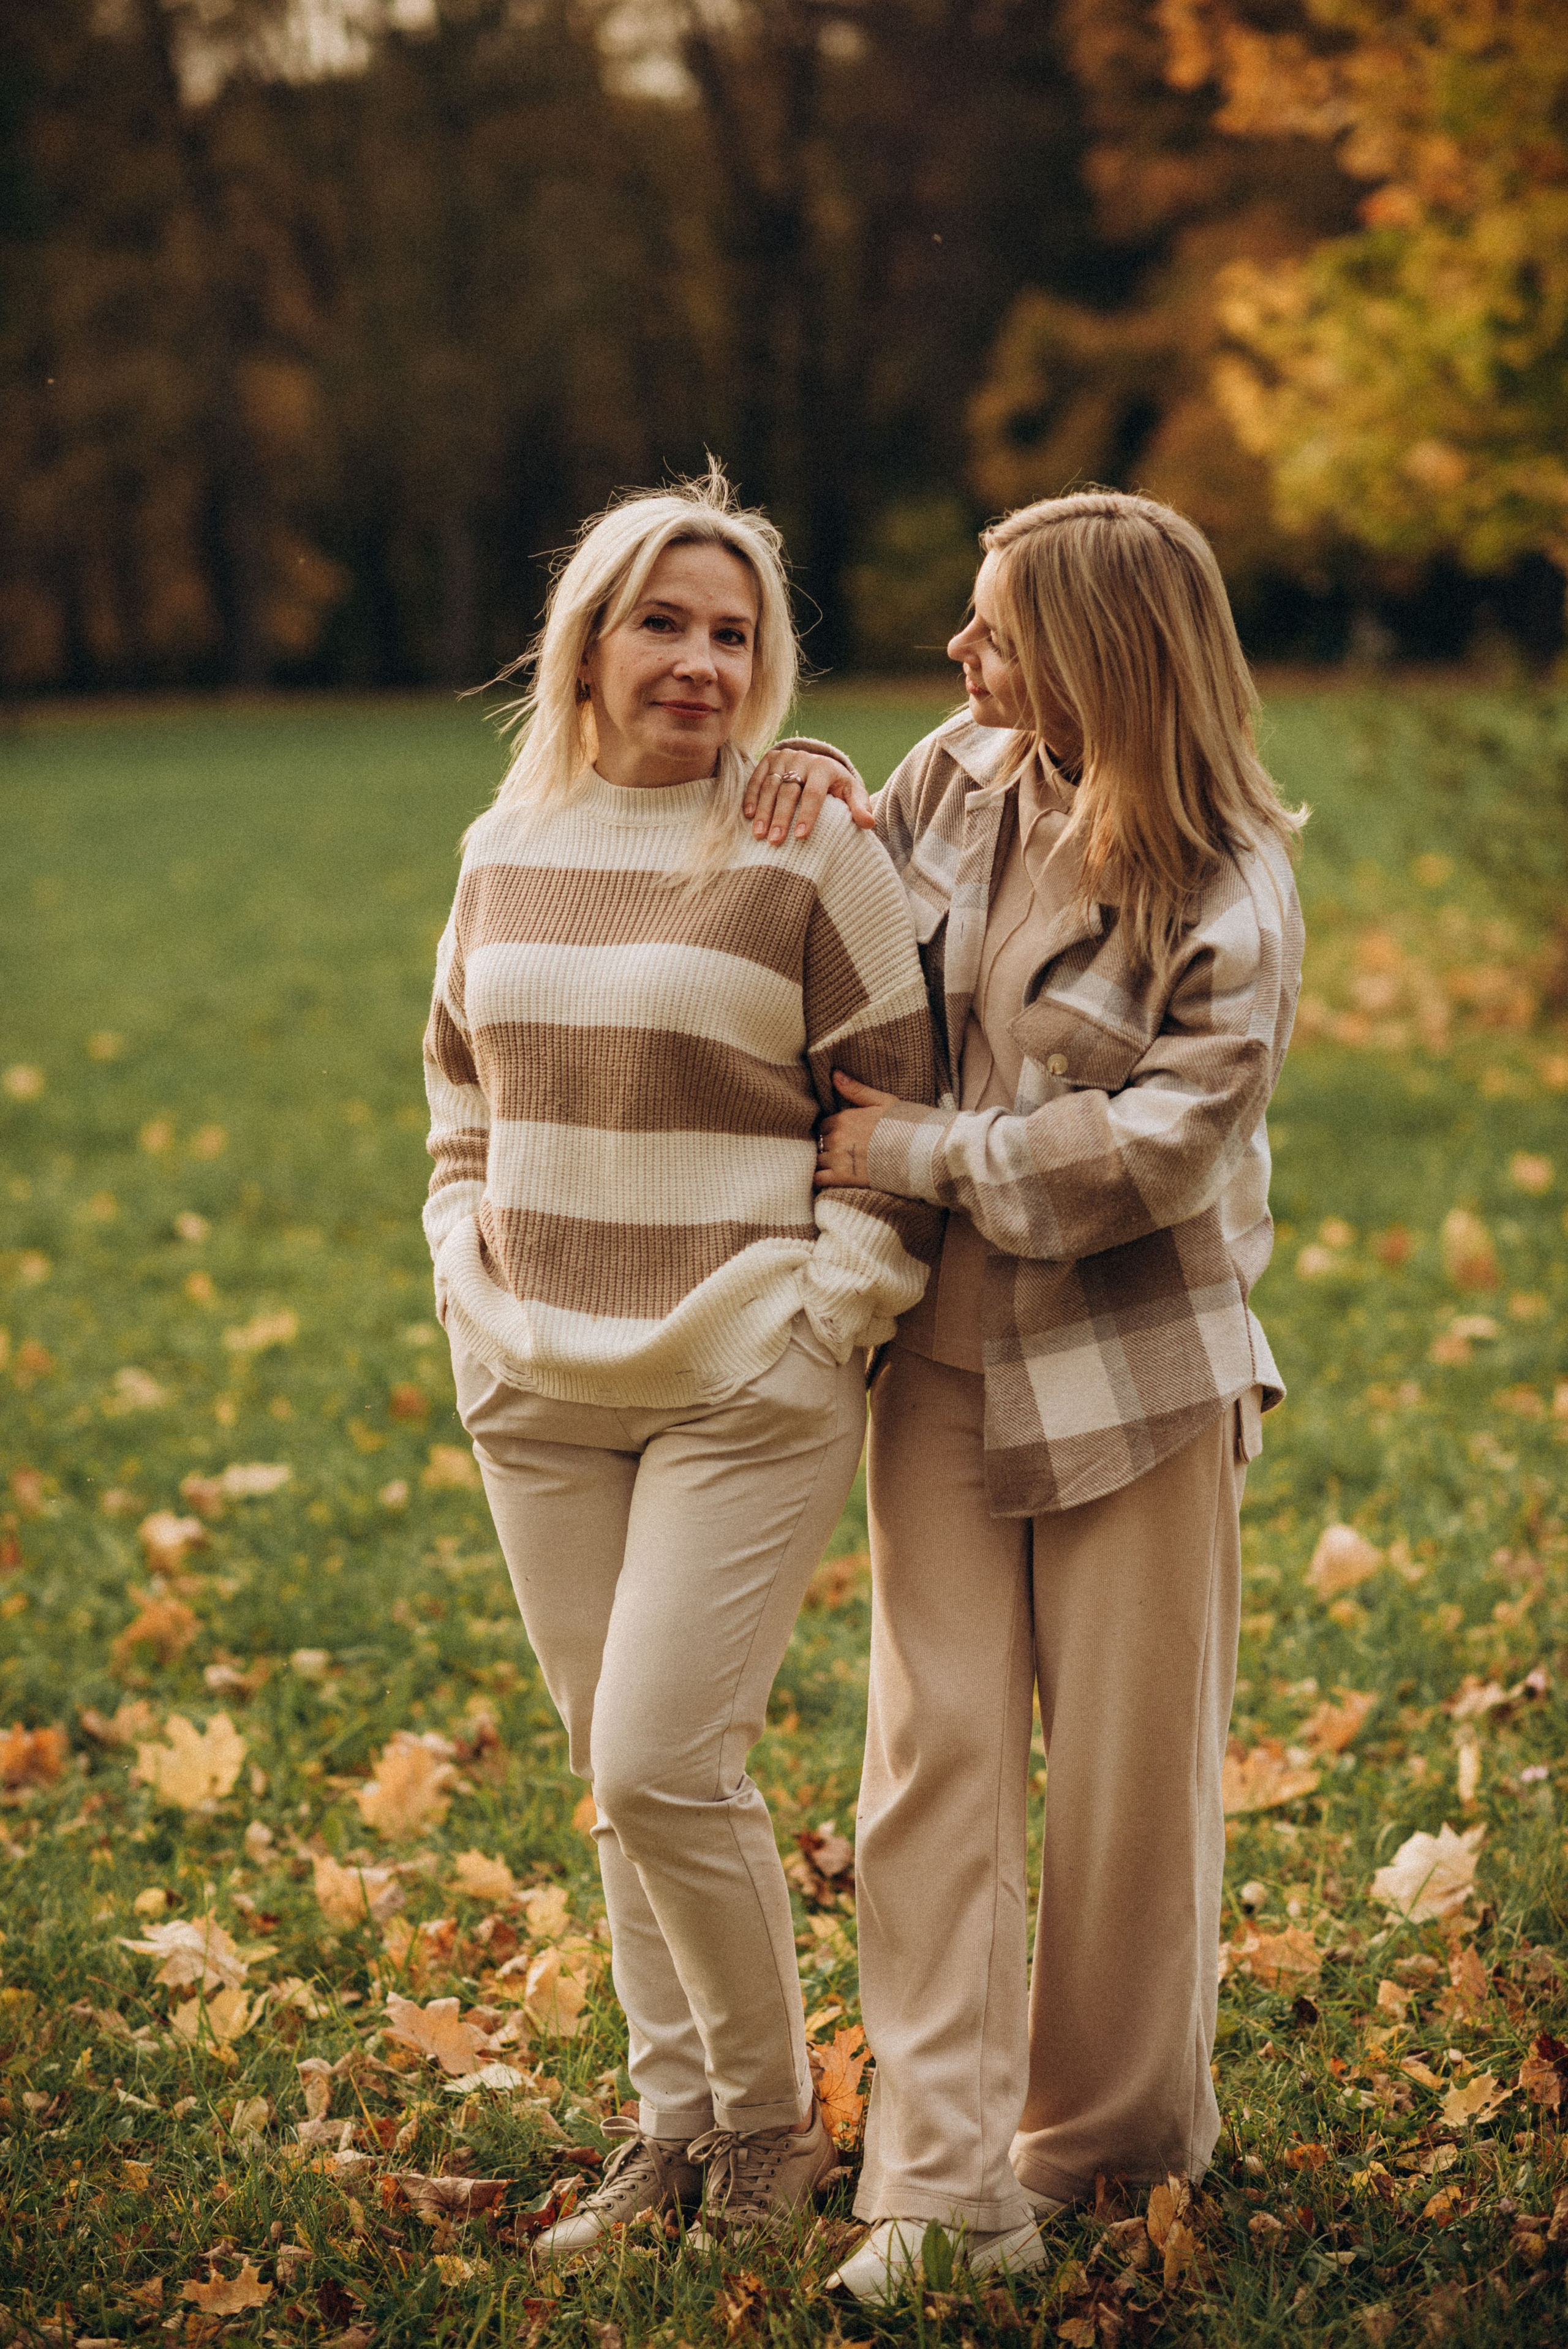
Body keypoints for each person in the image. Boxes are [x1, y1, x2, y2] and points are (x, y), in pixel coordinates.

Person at [748, 489, 1305, 2301]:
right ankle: (934, 2176)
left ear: (1095, 650)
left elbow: (1154, 1152)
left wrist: (922, 1146)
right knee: (934, 1758)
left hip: (1141, 1366)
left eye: (993, 627)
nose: (961, 655)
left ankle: (1107, 2141)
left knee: (1133, 1784)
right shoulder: (955, 774)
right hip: (943, 1352)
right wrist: (811, 791)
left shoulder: (1230, 875)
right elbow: (841, 944)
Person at [420, 466, 940, 2258]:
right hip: (534, 1374)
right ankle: (678, 2127)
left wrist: (834, 1304)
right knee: (614, 1774)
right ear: (589, 643)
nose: (701, 663)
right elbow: (456, 1096)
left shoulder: (809, 841)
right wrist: (455, 1264)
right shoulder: (503, 851)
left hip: (745, 1365)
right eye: (665, 622)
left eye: (735, 634)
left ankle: (778, 2129)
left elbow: (906, 1087)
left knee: (659, 1759)